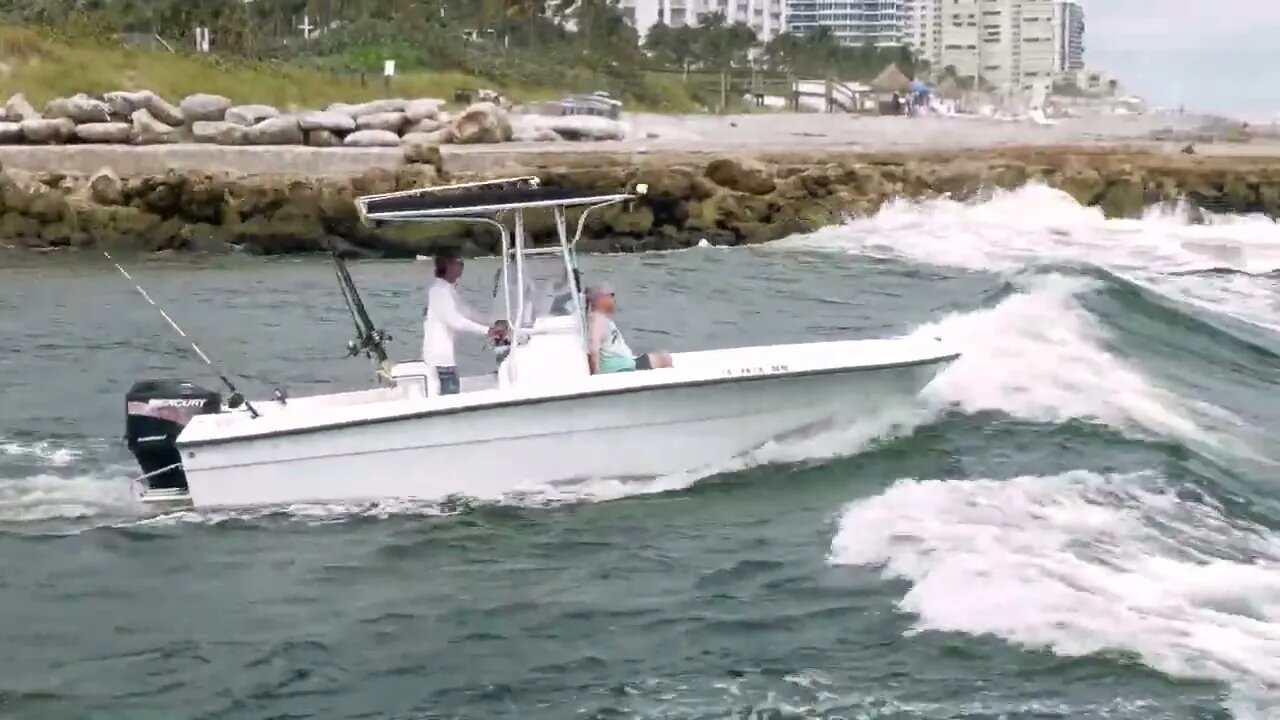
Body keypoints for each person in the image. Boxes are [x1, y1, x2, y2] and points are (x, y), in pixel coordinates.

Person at [422, 251, 505, 395]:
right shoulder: (439, 292)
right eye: (458, 262)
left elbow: (468, 312)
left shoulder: (447, 290)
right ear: (447, 266)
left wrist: (495, 322)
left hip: (445, 360)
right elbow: (454, 320)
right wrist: (488, 331)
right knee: (450, 399)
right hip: (441, 362)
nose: (462, 266)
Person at [585, 282, 672, 374]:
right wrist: (597, 375)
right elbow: (594, 349)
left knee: (663, 357)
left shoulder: (601, 318)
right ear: (601, 299)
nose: (614, 299)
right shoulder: (597, 322)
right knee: (665, 359)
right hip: (620, 368)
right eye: (611, 295)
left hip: (626, 363)